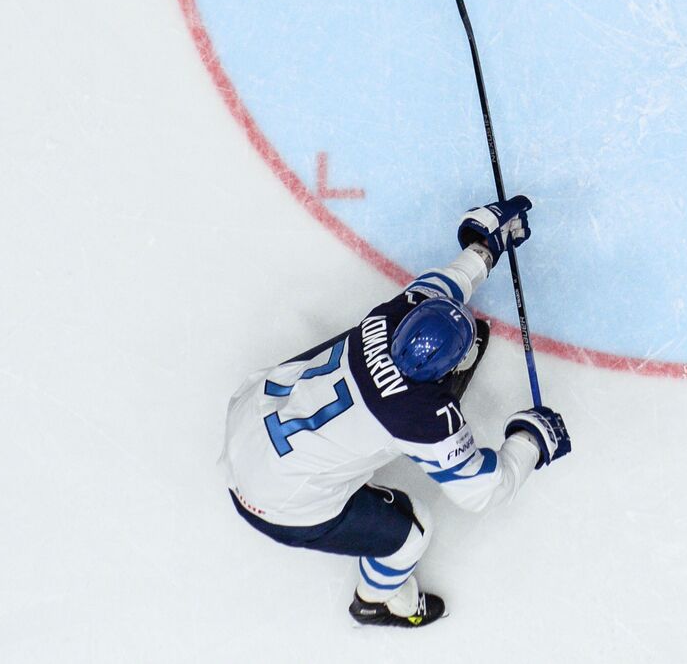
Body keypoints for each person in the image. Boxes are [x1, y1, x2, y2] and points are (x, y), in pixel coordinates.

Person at [220, 196, 571, 628]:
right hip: (280, 507)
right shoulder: (421, 417)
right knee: (413, 530)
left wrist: (485, 247)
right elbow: (483, 490)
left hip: (245, 428)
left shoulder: (390, 318)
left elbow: (443, 285)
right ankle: (379, 603)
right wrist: (531, 441)